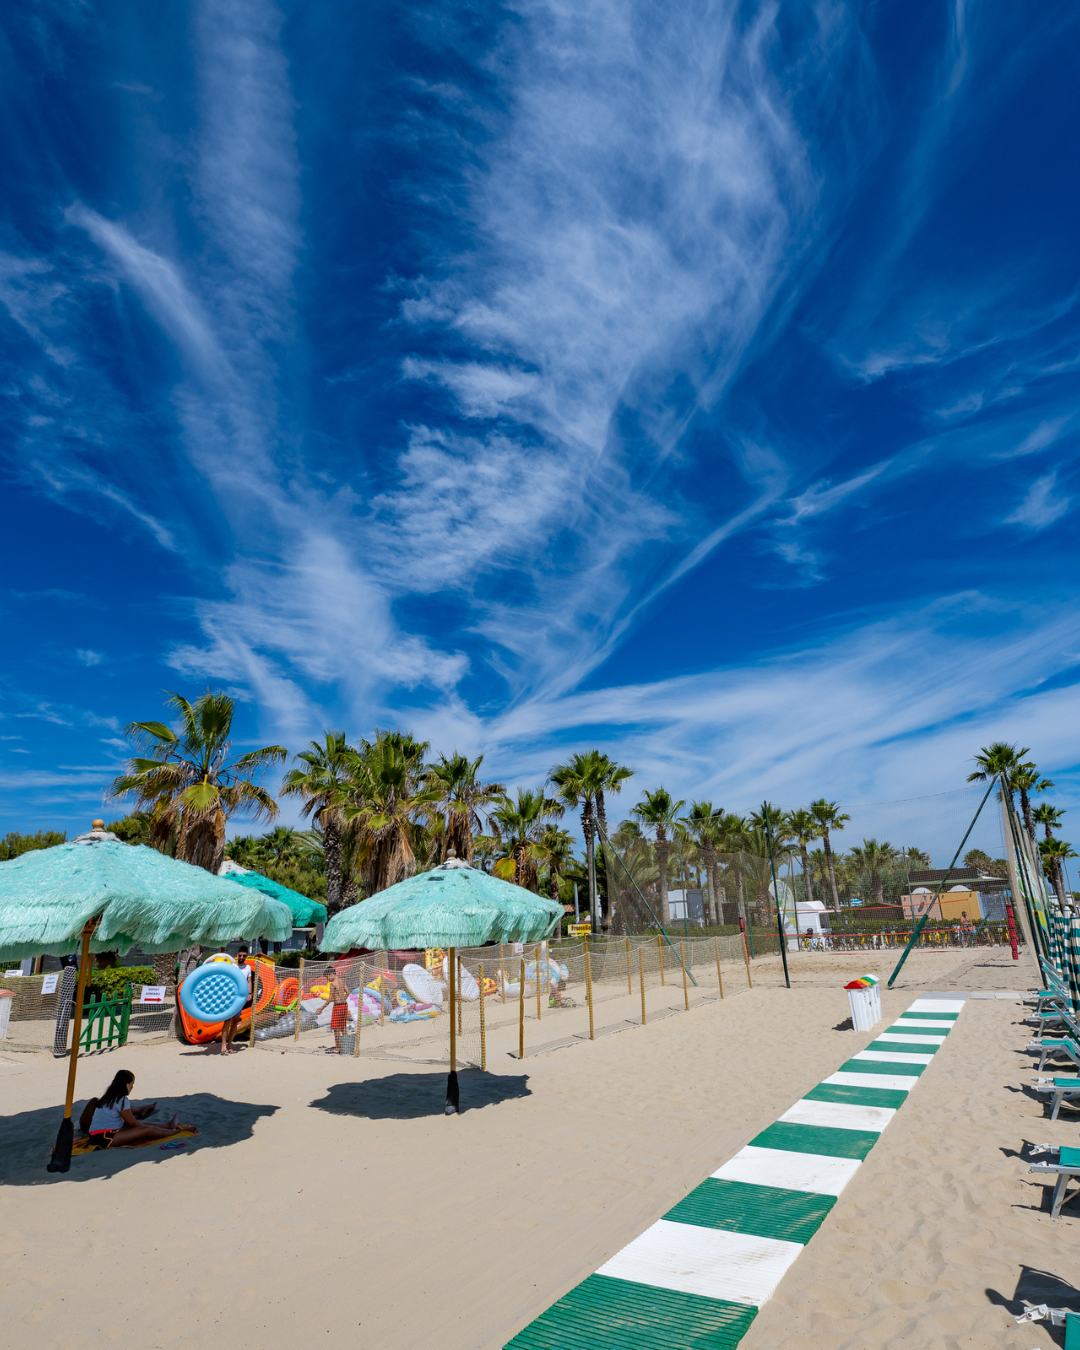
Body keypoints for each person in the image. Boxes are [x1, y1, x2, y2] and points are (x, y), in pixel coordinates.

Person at [79, 1070, 197, 1149]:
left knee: (139, 1126)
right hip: (104, 1138)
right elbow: (133, 1123)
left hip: (96, 1136)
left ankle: (168, 1126)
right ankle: (176, 1132)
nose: (132, 1087)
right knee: (146, 1129)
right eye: (131, 1084)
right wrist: (145, 1127)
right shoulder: (121, 1099)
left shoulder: (108, 1097)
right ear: (126, 1085)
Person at [220, 946, 253, 1055]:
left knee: (235, 1022)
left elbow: (249, 981)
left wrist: (250, 993)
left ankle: (229, 1046)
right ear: (237, 955)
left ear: (246, 956)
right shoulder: (232, 966)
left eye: (244, 956)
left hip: (240, 998)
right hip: (230, 997)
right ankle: (223, 1046)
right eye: (240, 955)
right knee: (227, 1021)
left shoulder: (248, 968)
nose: (242, 957)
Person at [328, 965, 349, 1054]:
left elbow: (329, 998)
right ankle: (346, 1046)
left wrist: (321, 1008)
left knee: (336, 1028)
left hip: (337, 1006)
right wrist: (342, 999)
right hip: (344, 1005)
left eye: (327, 977)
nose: (327, 980)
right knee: (343, 1027)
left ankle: (338, 1048)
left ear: (331, 974)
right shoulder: (342, 981)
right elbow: (348, 992)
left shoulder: (333, 984)